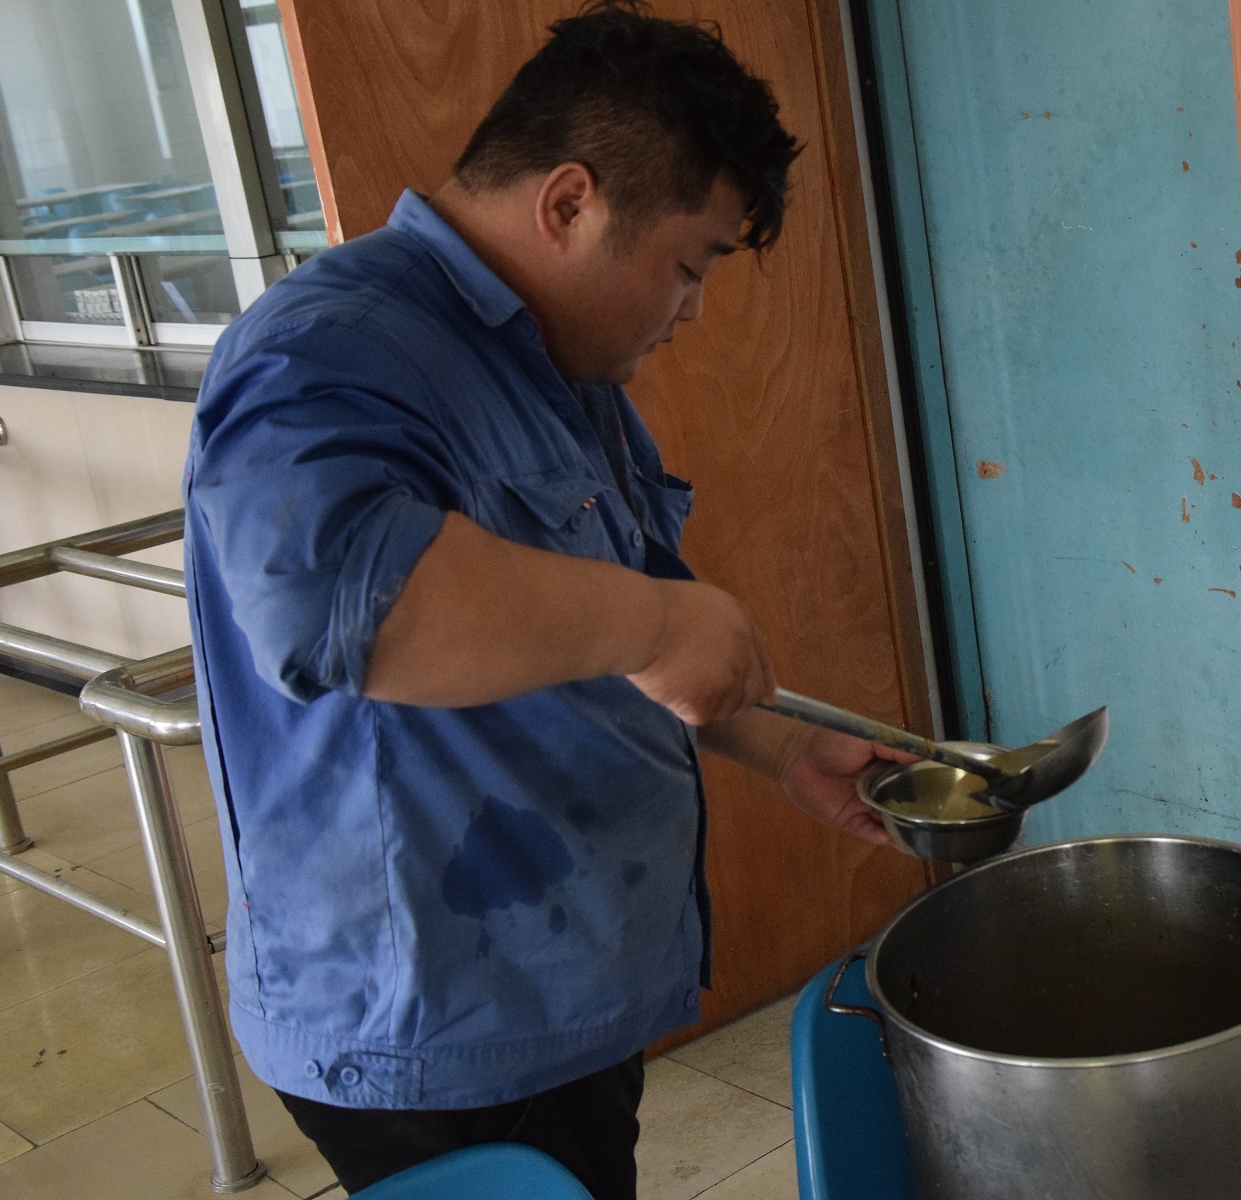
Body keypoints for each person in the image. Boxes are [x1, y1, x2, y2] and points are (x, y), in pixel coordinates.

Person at [183, 4, 900, 1195]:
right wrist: (660, 624)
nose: (693, 308)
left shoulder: (555, 363)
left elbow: (601, 625)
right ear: (570, 203)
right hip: (430, 1024)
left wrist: (781, 747)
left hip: (556, 984)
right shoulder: (329, 346)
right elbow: (338, 603)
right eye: (689, 265)